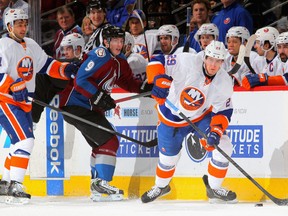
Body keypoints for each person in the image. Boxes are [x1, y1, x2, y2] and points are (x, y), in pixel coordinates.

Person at [58, 25, 152, 202]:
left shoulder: (120, 60)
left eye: (121, 40)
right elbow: (80, 80)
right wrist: (99, 96)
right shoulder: (100, 55)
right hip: (76, 106)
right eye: (115, 40)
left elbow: (127, 81)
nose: (119, 44)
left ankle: (97, 185)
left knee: (101, 145)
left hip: (88, 108)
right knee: (110, 139)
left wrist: (144, 89)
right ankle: (102, 182)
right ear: (106, 42)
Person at [142, 40, 237, 204]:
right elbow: (158, 60)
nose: (213, 64)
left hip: (201, 117)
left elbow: (224, 110)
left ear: (223, 61)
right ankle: (161, 186)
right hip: (170, 116)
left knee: (223, 145)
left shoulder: (224, 82)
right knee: (168, 160)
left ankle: (214, 189)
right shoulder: (186, 61)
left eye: (218, 61)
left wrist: (216, 131)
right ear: (205, 56)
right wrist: (158, 79)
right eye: (210, 59)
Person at [0, 9, 77, 204]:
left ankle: (5, 183)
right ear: (9, 26)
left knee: (18, 143)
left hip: (24, 102)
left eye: (25, 23)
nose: (23, 27)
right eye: (19, 24)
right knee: (26, 141)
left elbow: (46, 65)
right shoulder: (2, 46)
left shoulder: (31, 45)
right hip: (6, 101)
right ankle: (15, 186)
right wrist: (13, 86)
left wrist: (64, 69)